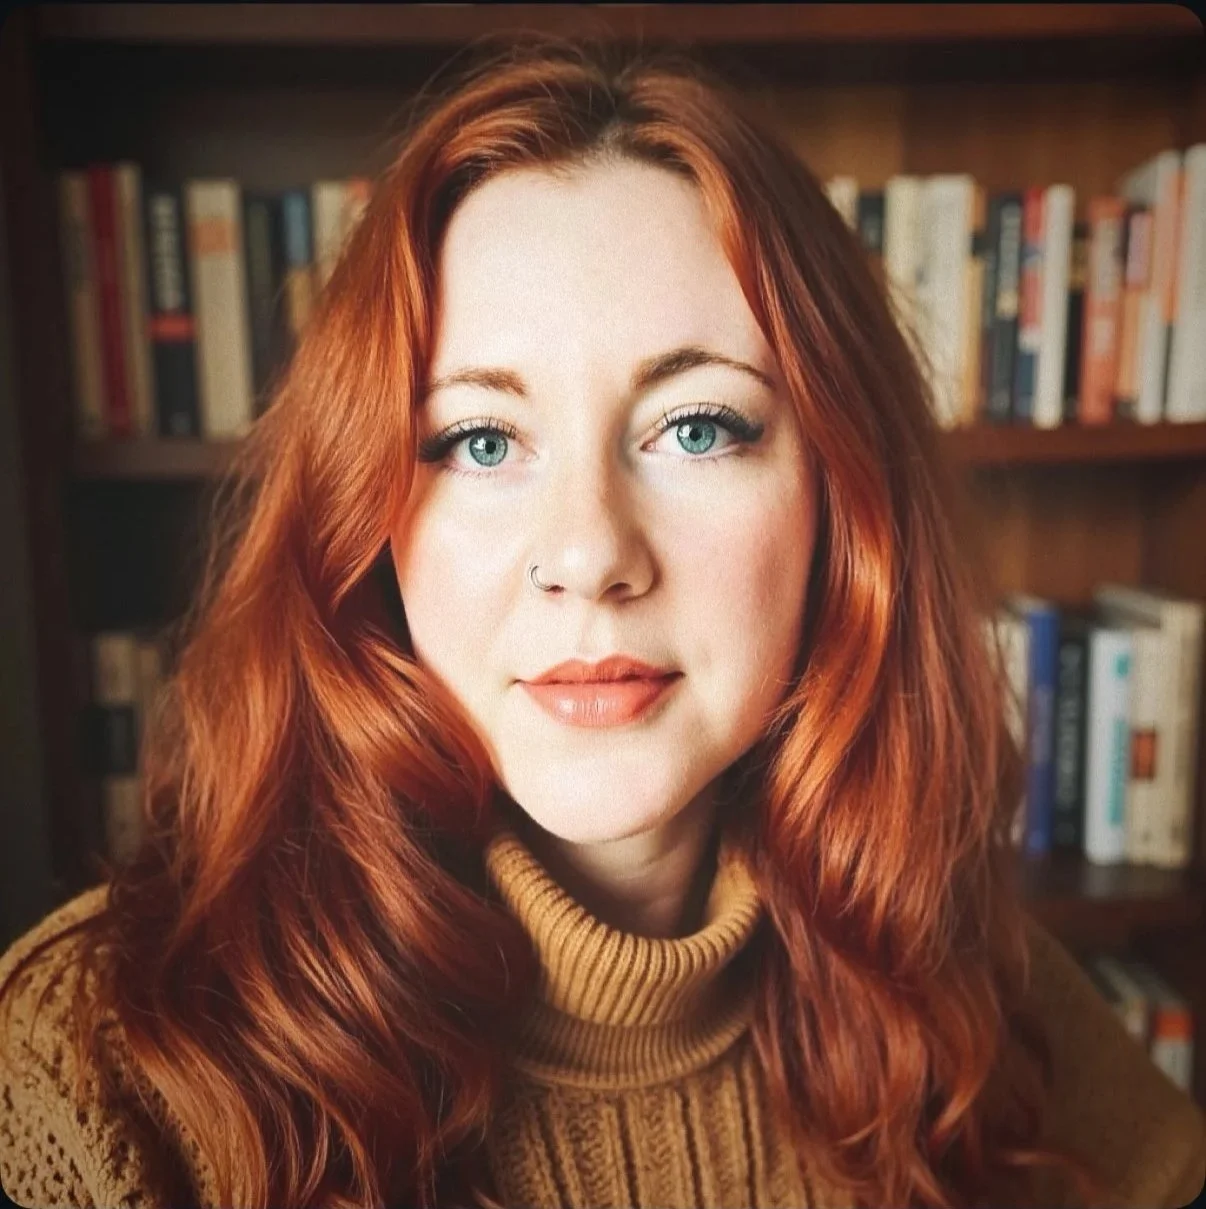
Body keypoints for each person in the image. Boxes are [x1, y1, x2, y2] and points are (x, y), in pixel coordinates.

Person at [2, 33, 1204, 1209]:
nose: (588, 555)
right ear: (362, 516)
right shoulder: (84, 1079)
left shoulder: (971, 989)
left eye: (697, 428)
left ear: (845, 502)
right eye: (480, 442)